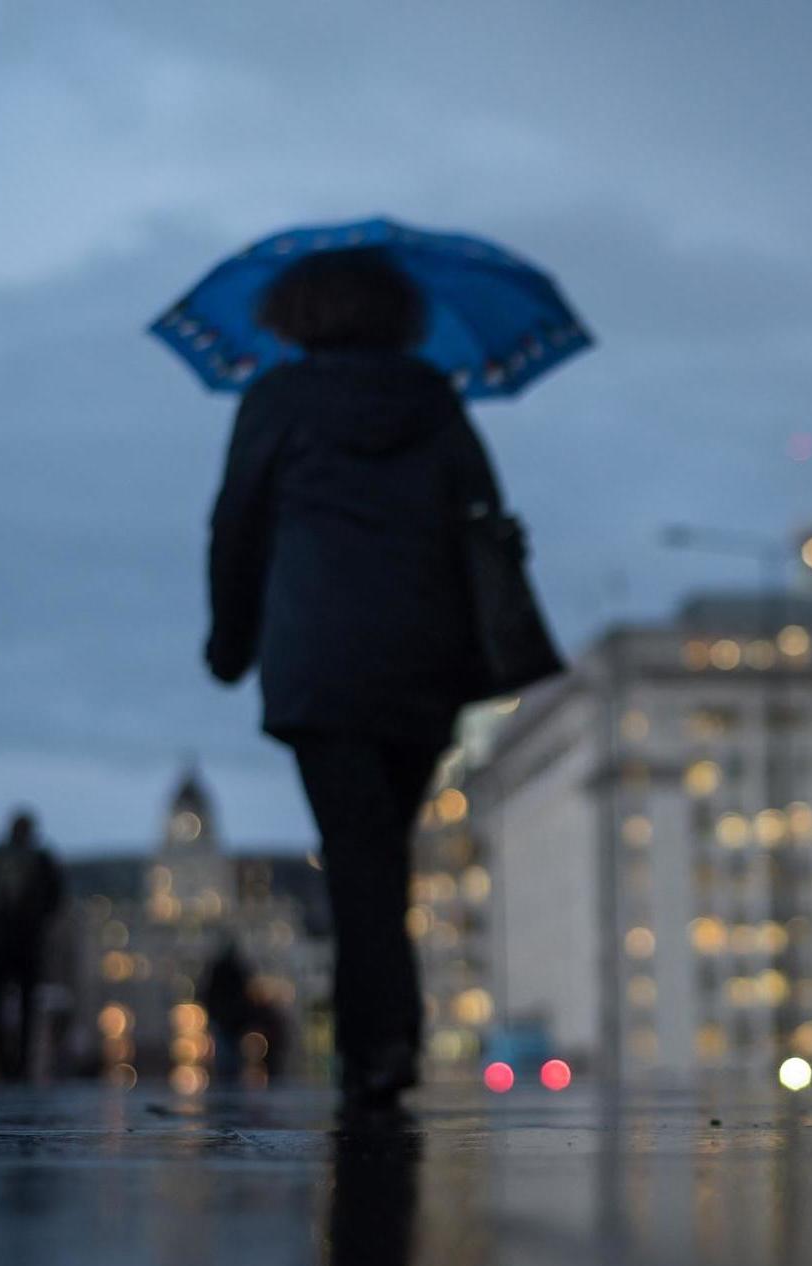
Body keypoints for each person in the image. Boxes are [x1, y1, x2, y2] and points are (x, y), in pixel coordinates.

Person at [205, 248, 500, 1111]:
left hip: (318, 656)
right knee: (379, 849)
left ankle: (380, 1041)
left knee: (357, 850)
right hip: (426, 656)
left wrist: (231, 641)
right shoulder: (435, 398)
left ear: (297, 313)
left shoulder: (276, 399)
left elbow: (235, 525)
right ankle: (384, 1035)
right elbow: (481, 515)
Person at [0, 811, 64, 1081]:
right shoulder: (16, 858)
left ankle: (15, 1063)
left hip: (22, 941)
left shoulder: (30, 859)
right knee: (4, 1004)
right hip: (9, 940)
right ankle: (8, 1062)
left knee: (21, 1004)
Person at [199, 938, 253, 1084]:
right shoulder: (233, 970)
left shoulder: (226, 970)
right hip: (229, 1019)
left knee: (227, 1052)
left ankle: (228, 1077)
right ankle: (228, 1077)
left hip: (230, 1020)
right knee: (228, 1052)